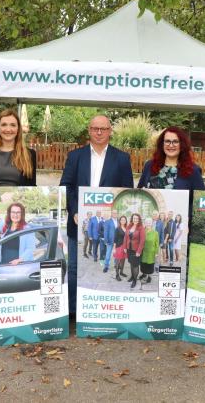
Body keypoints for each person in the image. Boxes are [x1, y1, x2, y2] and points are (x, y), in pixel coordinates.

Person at [60, 115, 134, 312]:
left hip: (108, 222)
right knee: (75, 267)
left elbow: (126, 192)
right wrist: (74, 211)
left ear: (110, 131)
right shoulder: (75, 156)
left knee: (105, 264)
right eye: (95, 128)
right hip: (78, 222)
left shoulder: (122, 158)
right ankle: (74, 312)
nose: (99, 132)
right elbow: (66, 186)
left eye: (103, 129)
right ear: (89, 130)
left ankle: (101, 311)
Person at [138, 126, 205, 191]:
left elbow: (198, 200)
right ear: (162, 144)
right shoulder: (149, 166)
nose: (171, 145)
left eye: (175, 141)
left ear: (182, 144)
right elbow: (140, 194)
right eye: (167, 141)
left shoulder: (193, 170)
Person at [123, 213, 146, 288]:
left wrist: (139, 251)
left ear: (139, 219)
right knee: (131, 264)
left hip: (136, 250)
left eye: (137, 218)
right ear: (132, 219)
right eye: (134, 218)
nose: (135, 220)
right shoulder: (129, 226)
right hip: (129, 249)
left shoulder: (141, 228)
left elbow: (142, 241)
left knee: (135, 265)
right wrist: (125, 247)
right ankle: (132, 276)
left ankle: (135, 280)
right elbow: (125, 238)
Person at [140, 218, 159, 284]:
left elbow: (157, 243)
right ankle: (144, 274)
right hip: (143, 251)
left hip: (151, 252)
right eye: (147, 222)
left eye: (149, 222)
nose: (148, 224)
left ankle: (149, 276)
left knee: (150, 265)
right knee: (143, 264)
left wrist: (156, 252)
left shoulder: (155, 233)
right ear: (145, 223)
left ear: (151, 224)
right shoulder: (142, 231)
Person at [113, 215, 129, 281]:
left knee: (123, 260)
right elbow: (115, 239)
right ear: (120, 221)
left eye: (124, 220)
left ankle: (121, 272)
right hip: (119, 246)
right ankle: (117, 274)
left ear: (126, 221)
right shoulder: (117, 228)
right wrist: (114, 248)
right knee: (117, 261)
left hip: (125, 247)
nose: (123, 221)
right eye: (122, 220)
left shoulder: (127, 228)